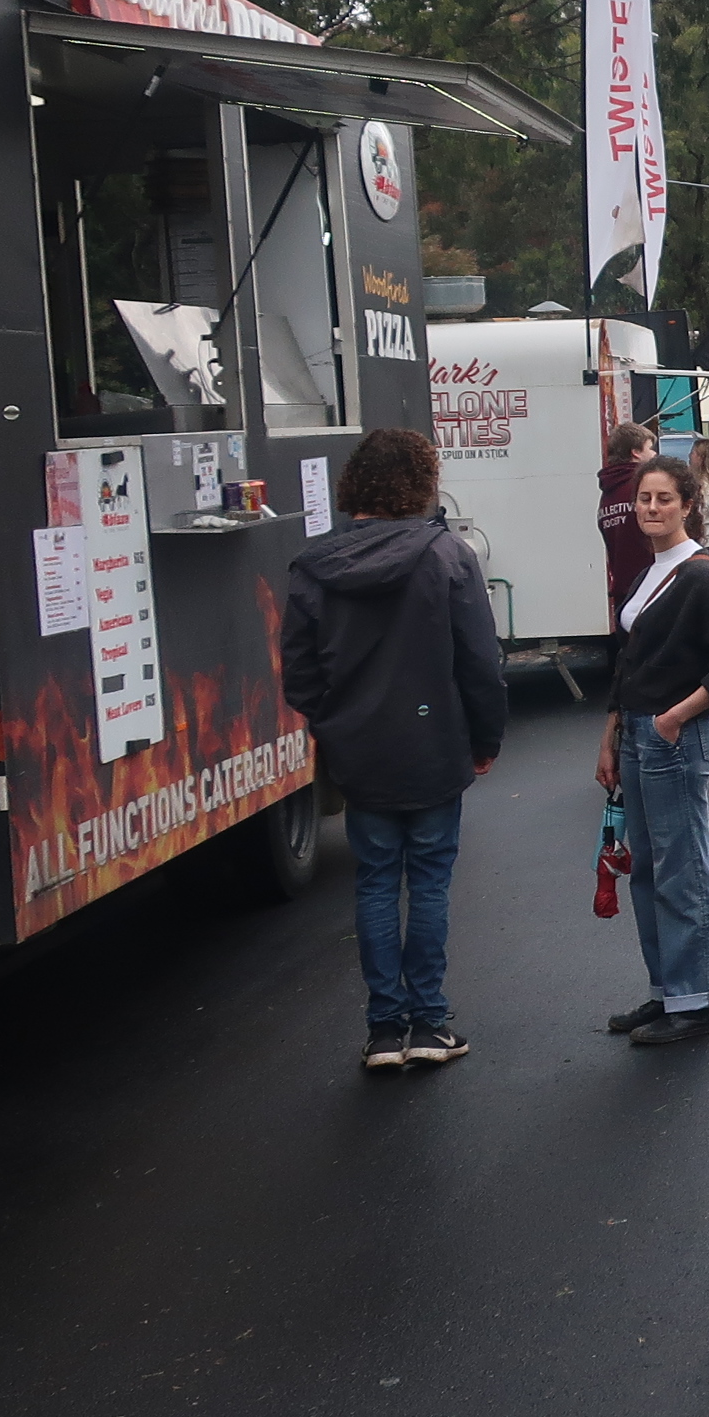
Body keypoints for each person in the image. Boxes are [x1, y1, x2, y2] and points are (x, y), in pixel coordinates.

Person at [280, 426, 507, 1071]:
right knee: (429, 880)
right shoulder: (448, 556)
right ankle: (430, 1022)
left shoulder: (314, 567)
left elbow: (300, 675)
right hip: (435, 743)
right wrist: (485, 738)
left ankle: (384, 1030)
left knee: (376, 881)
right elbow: (480, 662)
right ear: (421, 482)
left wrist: (334, 724)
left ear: (355, 483)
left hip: (360, 751)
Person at [598, 454, 709, 1047]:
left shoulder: (701, 576)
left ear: (688, 505)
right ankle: (667, 990)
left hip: (673, 737)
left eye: (664, 498)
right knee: (647, 870)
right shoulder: (648, 572)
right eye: (645, 498)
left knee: (681, 871)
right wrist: (612, 732)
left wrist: (675, 717)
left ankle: (695, 1002)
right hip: (637, 735)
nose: (652, 508)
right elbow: (629, 660)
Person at [598, 421, 658, 624]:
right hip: (651, 589)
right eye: (650, 448)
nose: (654, 454)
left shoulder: (608, 491)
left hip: (623, 593)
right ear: (636, 453)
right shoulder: (642, 487)